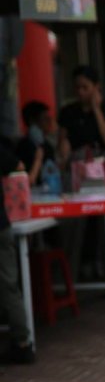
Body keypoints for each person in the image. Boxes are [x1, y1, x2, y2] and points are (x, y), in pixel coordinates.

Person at [0, 148, 33, 363]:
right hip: (2, 225)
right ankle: (22, 342)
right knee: (9, 284)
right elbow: (17, 165)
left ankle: (21, 342)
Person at [57, 65, 105, 157]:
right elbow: (62, 142)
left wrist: (97, 109)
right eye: (77, 87)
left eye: (85, 87)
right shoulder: (68, 112)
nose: (80, 92)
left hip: (103, 160)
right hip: (78, 161)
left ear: (96, 86)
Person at [16, 101, 68, 187]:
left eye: (49, 118)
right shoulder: (25, 146)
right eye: (45, 119)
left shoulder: (47, 145)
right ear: (32, 121)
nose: (49, 121)